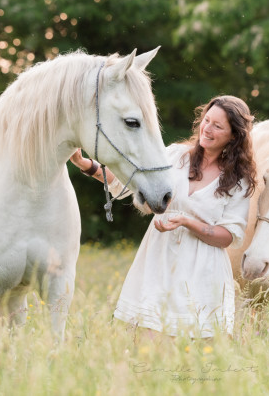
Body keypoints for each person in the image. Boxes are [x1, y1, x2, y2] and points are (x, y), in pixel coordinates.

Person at [71, 95, 256, 338]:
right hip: (159, 261)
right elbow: (130, 184)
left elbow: (228, 236)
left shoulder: (238, 182)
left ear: (234, 136)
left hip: (202, 271)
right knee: (146, 341)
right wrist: (86, 165)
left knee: (194, 348)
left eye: (217, 126)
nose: (207, 129)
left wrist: (188, 222)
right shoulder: (175, 156)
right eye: (206, 120)